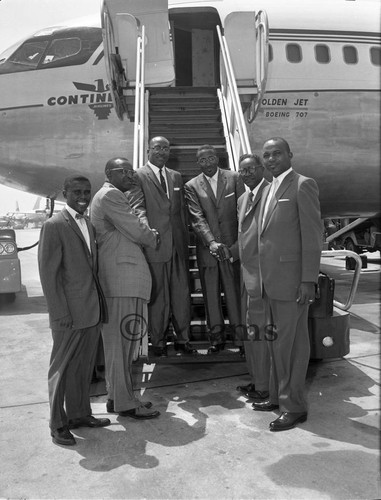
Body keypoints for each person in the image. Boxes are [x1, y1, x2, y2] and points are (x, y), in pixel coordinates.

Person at [252, 137, 323, 431]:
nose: (270, 159)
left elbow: (313, 235)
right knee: (273, 343)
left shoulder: (302, 185)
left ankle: (293, 407)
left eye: (277, 154)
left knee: (291, 347)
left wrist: (308, 279)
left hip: (293, 282)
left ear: (290, 155)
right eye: (266, 155)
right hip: (269, 282)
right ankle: (275, 395)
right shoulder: (268, 188)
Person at [38, 175, 110, 447]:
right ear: (64, 193)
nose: (83, 196)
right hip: (68, 314)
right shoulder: (54, 225)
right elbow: (49, 275)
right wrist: (59, 314)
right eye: (77, 192)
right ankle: (57, 424)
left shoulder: (88, 224)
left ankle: (80, 414)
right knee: (62, 370)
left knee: (82, 368)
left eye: (87, 192)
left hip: (90, 311)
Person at [90, 158, 161, 419]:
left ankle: (116, 396)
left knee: (122, 345)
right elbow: (137, 230)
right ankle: (125, 402)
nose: (131, 175)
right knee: (120, 346)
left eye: (132, 171)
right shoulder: (111, 195)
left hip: (122, 280)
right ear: (110, 174)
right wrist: (152, 235)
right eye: (125, 171)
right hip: (119, 281)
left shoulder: (111, 195)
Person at [128, 136, 196, 357]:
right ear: (148, 150)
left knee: (181, 294)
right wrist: (147, 233)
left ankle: (183, 339)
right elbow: (137, 207)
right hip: (155, 245)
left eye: (166, 148)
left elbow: (180, 211)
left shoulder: (175, 176)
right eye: (157, 148)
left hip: (178, 244)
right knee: (158, 297)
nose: (162, 151)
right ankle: (157, 341)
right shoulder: (138, 176)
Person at [185, 145, 245, 353]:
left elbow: (242, 212)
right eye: (202, 160)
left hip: (232, 249)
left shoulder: (235, 178)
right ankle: (216, 339)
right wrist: (211, 242)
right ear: (198, 163)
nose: (207, 163)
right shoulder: (192, 185)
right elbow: (196, 217)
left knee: (235, 294)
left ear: (217, 158)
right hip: (208, 250)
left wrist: (235, 246)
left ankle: (240, 339)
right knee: (210, 295)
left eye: (210, 158)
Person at [236, 153, 270, 400]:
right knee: (251, 333)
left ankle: (267, 385)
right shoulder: (242, 199)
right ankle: (257, 379)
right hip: (247, 274)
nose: (246, 174)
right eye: (242, 170)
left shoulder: (271, 193)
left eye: (250, 169)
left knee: (264, 333)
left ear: (261, 169)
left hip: (264, 275)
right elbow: (245, 236)